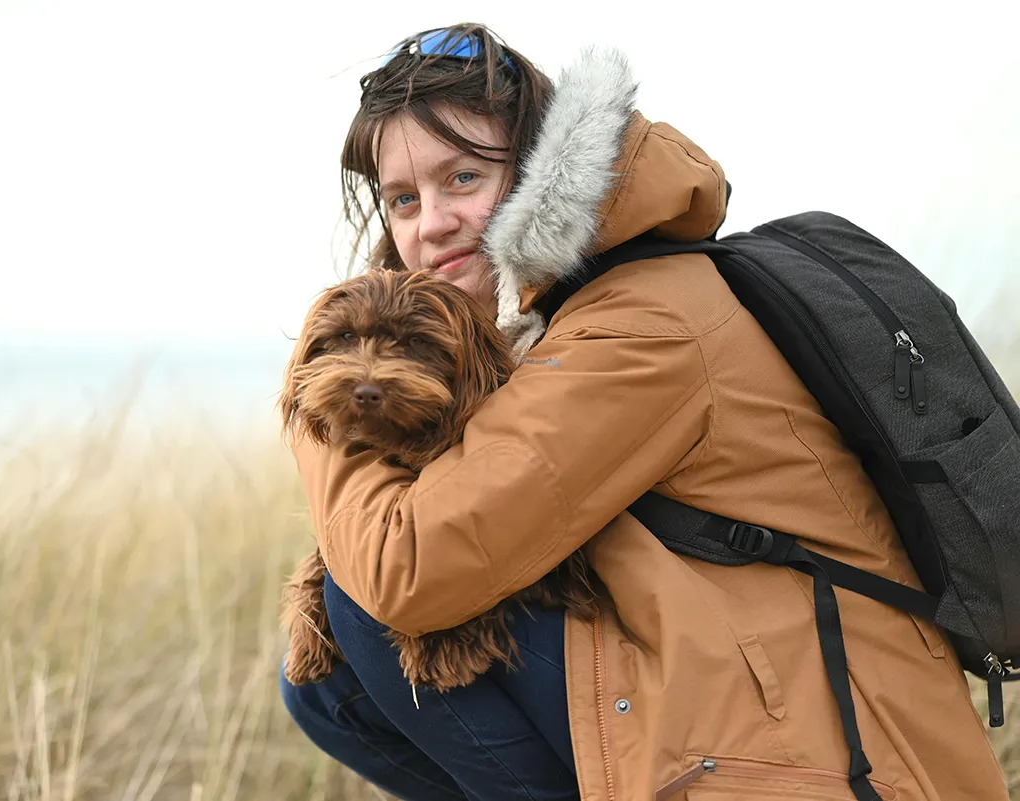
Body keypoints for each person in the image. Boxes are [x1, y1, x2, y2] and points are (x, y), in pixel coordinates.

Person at [278, 22, 1010, 801]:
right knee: (328, 679)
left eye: (462, 179)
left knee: (367, 604)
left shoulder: (644, 321)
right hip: (732, 681)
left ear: (541, 170)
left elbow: (411, 564)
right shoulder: (543, 321)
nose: (429, 224)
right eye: (402, 198)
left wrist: (326, 388)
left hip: (837, 751)